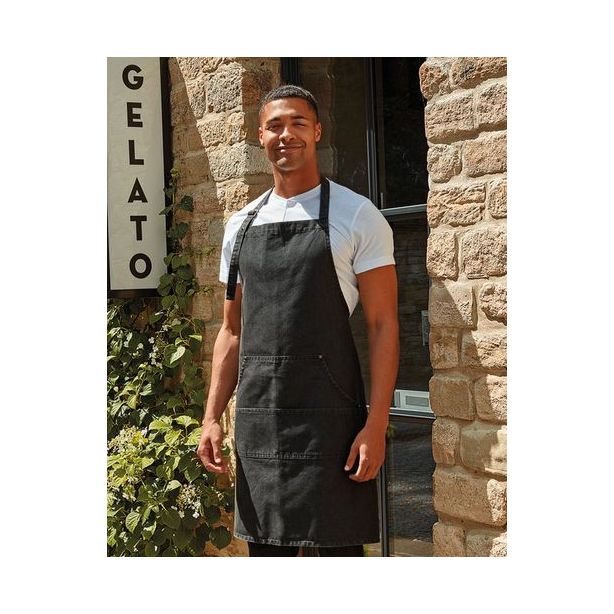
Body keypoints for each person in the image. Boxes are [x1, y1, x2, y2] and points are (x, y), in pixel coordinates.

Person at [197, 85, 399, 557]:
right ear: (260, 136)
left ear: (317, 131)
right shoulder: (240, 226)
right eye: (275, 126)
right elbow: (231, 330)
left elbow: (384, 326)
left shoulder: (357, 216)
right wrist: (211, 418)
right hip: (261, 424)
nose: (286, 134)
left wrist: (376, 424)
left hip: (332, 427)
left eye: (297, 123)